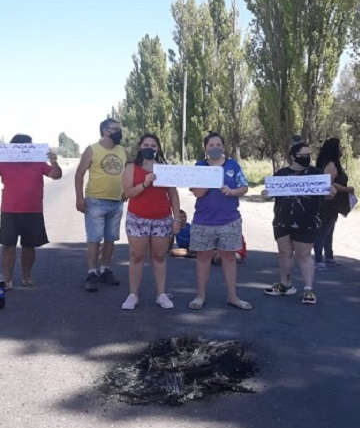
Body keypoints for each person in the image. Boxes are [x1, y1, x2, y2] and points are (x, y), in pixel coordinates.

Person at [0, 134, 62, 289]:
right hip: (10, 211)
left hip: (33, 210)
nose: (28, 149)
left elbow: (56, 175)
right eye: (27, 146)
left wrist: (54, 162)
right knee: (8, 246)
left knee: (29, 246)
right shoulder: (4, 162)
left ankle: (26, 277)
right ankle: (7, 281)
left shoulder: (38, 162)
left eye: (31, 147)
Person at [261, 140, 336, 304]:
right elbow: (270, 193)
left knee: (304, 255)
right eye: (302, 155)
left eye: (308, 155)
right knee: (284, 253)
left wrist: (330, 192)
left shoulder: (317, 174)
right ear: (293, 156)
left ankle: (309, 289)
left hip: (306, 221)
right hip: (282, 220)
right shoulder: (281, 174)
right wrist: (266, 194)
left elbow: (326, 195)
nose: (306, 158)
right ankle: (285, 284)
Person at [188, 132, 251, 310]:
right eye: (211, 145)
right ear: (205, 148)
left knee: (229, 257)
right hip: (203, 220)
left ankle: (232, 296)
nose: (215, 148)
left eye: (218, 145)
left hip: (229, 220)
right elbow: (197, 193)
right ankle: (200, 296)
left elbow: (244, 187)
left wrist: (232, 191)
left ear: (223, 146)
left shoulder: (233, 165)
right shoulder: (199, 166)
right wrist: (208, 182)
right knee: (203, 258)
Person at [120, 134, 181, 310]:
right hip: (137, 219)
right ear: (139, 147)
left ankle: (161, 294)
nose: (150, 148)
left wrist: (176, 218)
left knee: (159, 256)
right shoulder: (131, 167)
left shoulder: (165, 168)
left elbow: (173, 194)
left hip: (162, 219)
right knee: (136, 256)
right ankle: (133, 294)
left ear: (158, 148)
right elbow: (128, 193)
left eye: (153, 145)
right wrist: (145, 184)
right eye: (146, 144)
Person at [75, 118, 128, 292]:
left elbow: (126, 173)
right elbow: (79, 174)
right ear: (106, 131)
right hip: (95, 202)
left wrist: (126, 191)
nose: (119, 132)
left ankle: (105, 269)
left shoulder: (122, 150)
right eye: (116, 129)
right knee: (94, 239)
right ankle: (91, 273)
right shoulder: (92, 150)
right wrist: (79, 198)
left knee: (111, 238)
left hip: (117, 201)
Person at [314, 138, 354, 270]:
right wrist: (346, 189)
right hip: (327, 202)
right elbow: (328, 184)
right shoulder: (331, 165)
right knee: (322, 231)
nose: (342, 149)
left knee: (329, 230)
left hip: (333, 203)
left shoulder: (332, 163)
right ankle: (319, 259)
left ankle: (329, 256)